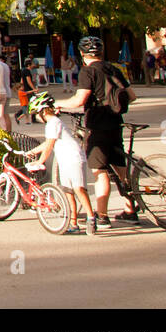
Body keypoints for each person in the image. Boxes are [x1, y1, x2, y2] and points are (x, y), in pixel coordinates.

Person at [61, 36, 135, 226]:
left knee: (99, 171)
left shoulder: (88, 71)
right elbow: (132, 96)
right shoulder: (114, 69)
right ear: (101, 52)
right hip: (116, 123)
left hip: (97, 125)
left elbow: (79, 100)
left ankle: (102, 216)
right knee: (121, 170)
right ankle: (130, 209)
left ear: (81, 53)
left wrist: (59, 106)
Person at [24, 92, 96, 235]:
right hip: (65, 160)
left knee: (79, 189)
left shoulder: (53, 123)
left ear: (43, 111)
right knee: (68, 191)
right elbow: (47, 142)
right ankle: (73, 223)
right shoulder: (52, 124)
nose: (37, 117)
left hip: (74, 158)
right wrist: (33, 151)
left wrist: (40, 161)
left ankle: (91, 218)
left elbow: (50, 145)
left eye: (37, 113)